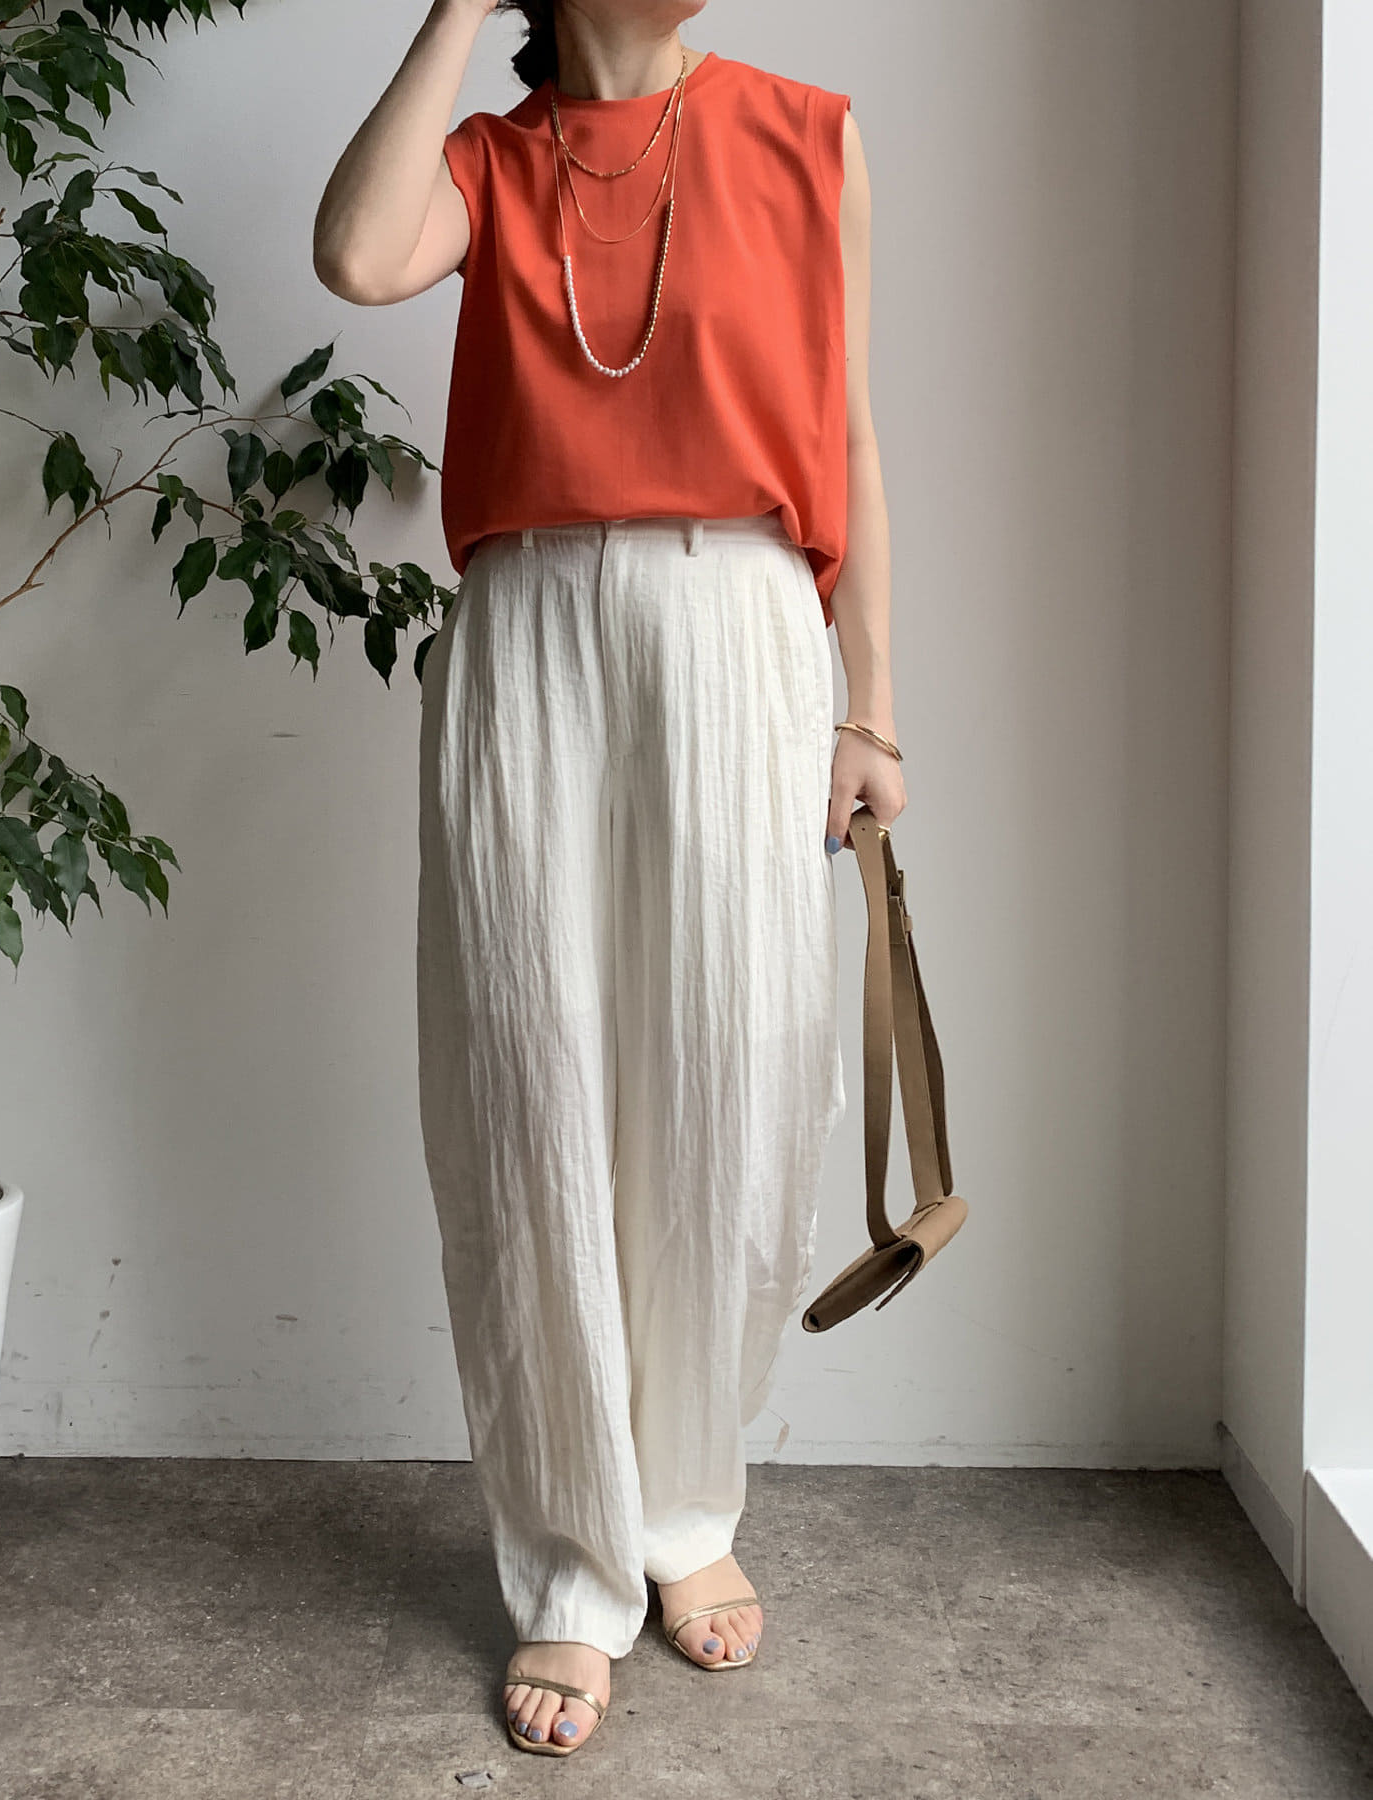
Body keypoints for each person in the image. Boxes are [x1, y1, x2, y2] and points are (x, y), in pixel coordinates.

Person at [313, 0, 906, 1760]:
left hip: (743, 619)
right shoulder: (489, 167)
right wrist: (456, 12)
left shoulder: (807, 133)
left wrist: (874, 708)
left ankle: (686, 1506)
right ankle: (574, 1566)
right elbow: (356, 257)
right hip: (528, 633)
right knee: (530, 1089)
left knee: (732, 1090)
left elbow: (849, 432)